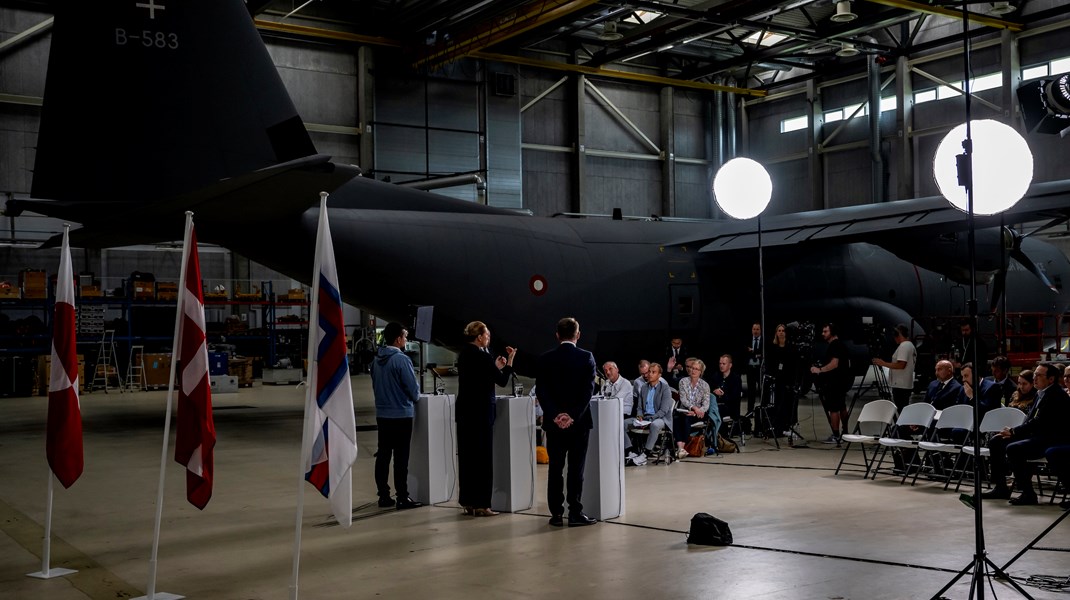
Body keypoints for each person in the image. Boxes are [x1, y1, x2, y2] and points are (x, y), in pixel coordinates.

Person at [536, 317, 598, 527]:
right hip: (578, 423)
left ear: (557, 335)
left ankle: (556, 514)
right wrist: (571, 415)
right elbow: (587, 391)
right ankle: (575, 513)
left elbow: (542, 392)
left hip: (554, 425)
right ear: (577, 335)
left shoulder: (545, 359)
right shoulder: (586, 357)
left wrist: (555, 415)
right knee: (575, 469)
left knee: (555, 469)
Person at [980, 363, 1070, 505]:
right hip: (1037, 435)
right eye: (1035, 374)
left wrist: (1014, 432)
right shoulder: (1041, 393)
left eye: (1039, 375)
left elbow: (1040, 422)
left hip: (1050, 438)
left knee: (1014, 448)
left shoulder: (1056, 395)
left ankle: (1028, 493)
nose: (1035, 378)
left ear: (1051, 379)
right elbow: (1031, 420)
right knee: (996, 441)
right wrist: (1012, 433)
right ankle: (1001, 487)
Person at [455, 321, 516, 517]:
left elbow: (480, 377)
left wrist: (494, 366)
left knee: (467, 458)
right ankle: (483, 504)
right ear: (479, 337)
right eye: (487, 334)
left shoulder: (464, 355)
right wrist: (510, 361)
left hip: (465, 412)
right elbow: (502, 381)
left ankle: (468, 501)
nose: (489, 337)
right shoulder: (482, 356)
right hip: (481, 413)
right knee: (483, 459)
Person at [371, 322, 423, 510]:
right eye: (405, 336)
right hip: (401, 414)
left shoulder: (376, 360)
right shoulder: (401, 360)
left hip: (382, 414)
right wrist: (415, 396)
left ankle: (383, 495)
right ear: (398, 339)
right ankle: (402, 496)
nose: (406, 340)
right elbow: (413, 390)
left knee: (383, 455)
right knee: (401, 458)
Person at [810, 323, 851, 444]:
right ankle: (845, 432)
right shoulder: (840, 345)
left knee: (834, 408)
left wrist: (820, 370)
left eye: (825, 331)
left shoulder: (835, 345)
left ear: (832, 332)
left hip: (835, 382)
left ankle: (836, 435)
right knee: (842, 406)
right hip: (841, 381)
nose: (823, 334)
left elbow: (834, 364)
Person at [624, 362, 674, 459]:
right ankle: (630, 450)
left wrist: (651, 419)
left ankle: (646, 453)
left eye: (653, 372)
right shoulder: (644, 387)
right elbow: (639, 407)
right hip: (645, 418)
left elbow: (664, 410)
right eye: (649, 372)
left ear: (659, 375)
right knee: (622, 424)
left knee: (655, 425)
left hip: (660, 418)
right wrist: (639, 415)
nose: (649, 374)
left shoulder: (665, 388)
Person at [872, 324, 916, 412]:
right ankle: (902, 425)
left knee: (901, 408)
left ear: (898, 335)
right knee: (903, 408)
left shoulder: (904, 346)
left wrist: (883, 363)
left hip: (901, 384)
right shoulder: (909, 345)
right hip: (904, 383)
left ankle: (903, 425)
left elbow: (901, 365)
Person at [674, 358, 712, 459]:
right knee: (677, 418)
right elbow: (683, 399)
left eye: (696, 369)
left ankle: (682, 447)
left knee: (686, 419)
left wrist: (696, 412)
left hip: (699, 413)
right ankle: (681, 448)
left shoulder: (705, 385)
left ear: (701, 372)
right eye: (692, 368)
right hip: (685, 410)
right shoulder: (683, 382)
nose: (693, 371)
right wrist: (693, 408)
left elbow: (706, 404)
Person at [765, 324, 796, 435]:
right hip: (777, 380)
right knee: (778, 403)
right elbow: (770, 364)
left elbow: (793, 364)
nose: (781, 332)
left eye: (783, 330)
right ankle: (777, 426)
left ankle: (787, 426)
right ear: (776, 333)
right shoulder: (772, 347)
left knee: (788, 403)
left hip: (788, 379)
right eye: (779, 330)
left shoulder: (790, 347)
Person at [709, 354, 743, 429]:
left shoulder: (736, 379)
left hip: (730, 408)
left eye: (724, 364)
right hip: (717, 405)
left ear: (730, 365)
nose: (721, 366)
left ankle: (719, 435)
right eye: (720, 363)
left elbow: (734, 398)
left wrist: (722, 395)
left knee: (715, 410)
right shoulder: (716, 376)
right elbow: (710, 389)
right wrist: (714, 391)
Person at [745, 322, 763, 414]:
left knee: (762, 390)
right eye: (754, 329)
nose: (755, 331)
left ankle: (763, 410)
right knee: (751, 391)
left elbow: (762, 354)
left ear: (760, 330)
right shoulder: (747, 340)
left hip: (760, 370)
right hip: (750, 369)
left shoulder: (763, 341)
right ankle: (750, 411)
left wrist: (754, 351)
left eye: (757, 329)